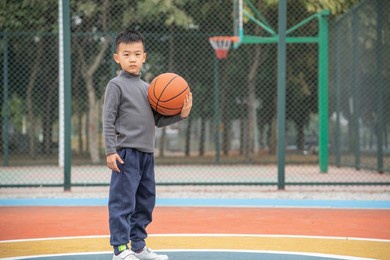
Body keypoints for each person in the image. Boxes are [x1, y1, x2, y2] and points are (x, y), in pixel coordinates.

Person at [103, 29, 192, 260]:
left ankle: (139, 246)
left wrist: (181, 115)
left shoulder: (150, 89)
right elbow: (108, 119)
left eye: (136, 54)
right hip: (125, 154)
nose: (132, 59)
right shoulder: (116, 85)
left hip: (146, 155)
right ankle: (120, 249)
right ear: (117, 58)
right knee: (123, 202)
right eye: (126, 54)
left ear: (144, 56)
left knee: (145, 201)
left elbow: (157, 120)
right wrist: (110, 150)